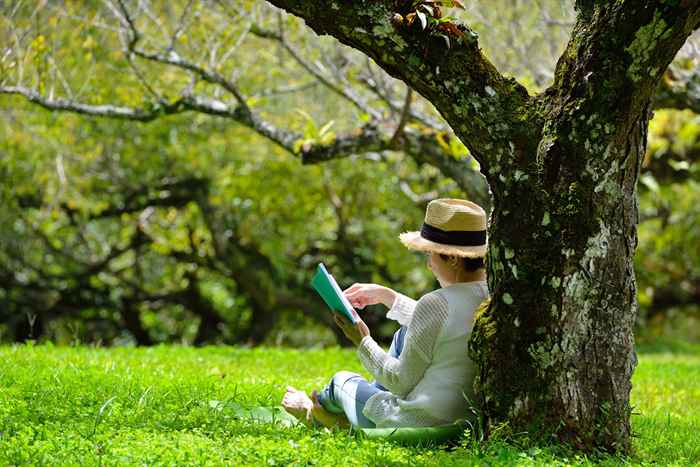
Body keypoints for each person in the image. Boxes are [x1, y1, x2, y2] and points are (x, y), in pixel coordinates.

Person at [282, 198, 489, 429]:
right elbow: (440, 325)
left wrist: (362, 340)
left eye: (430, 254)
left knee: (340, 381)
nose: (429, 265)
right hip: (465, 417)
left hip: (418, 421)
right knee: (403, 334)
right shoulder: (494, 294)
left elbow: (400, 382)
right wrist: (387, 297)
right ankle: (345, 418)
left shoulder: (436, 302)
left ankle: (315, 414)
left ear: (452, 258)